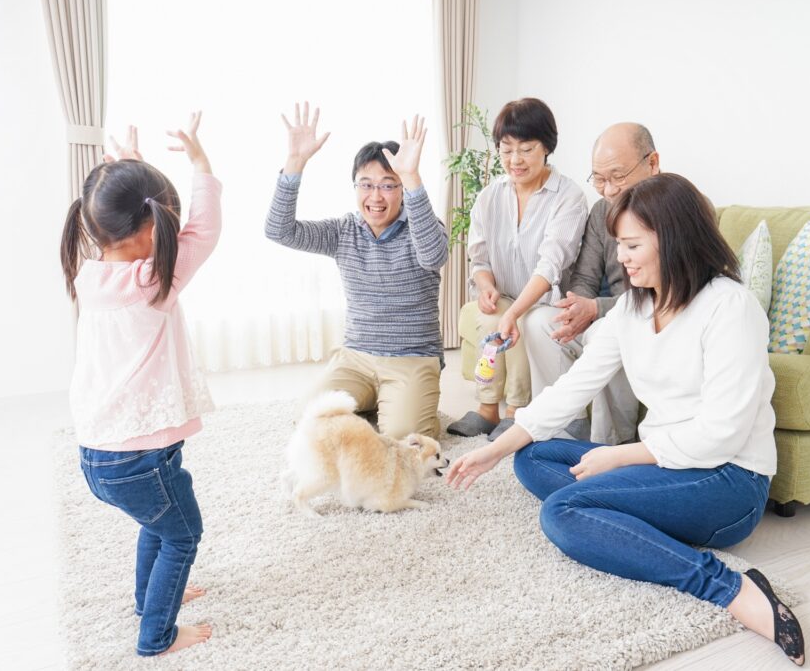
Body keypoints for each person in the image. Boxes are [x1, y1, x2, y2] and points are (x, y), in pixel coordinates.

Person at [446, 173, 805, 666]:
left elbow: (721, 433)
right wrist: (494, 449)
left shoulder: (729, 307)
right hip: (664, 463)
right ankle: (634, 515)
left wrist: (619, 456)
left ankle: (729, 588)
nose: (621, 258)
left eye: (633, 244)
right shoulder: (633, 308)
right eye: (620, 245)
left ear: (673, 237)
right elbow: (575, 387)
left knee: (563, 513)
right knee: (531, 456)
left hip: (730, 479)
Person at [60, 113, 220, 657]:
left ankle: (148, 599)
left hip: (97, 454)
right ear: (153, 230)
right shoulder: (154, 278)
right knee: (182, 533)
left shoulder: (89, 273)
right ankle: (157, 637)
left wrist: (123, 169)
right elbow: (207, 231)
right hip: (140, 457)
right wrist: (200, 165)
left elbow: (116, 214)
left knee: (158, 519)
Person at [265, 102, 448, 439]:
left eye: (388, 185)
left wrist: (413, 179)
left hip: (412, 358)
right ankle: (375, 400)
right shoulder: (343, 231)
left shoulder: (424, 225)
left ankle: (402, 403)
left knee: (405, 439)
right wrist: (295, 164)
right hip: (356, 360)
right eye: (366, 184)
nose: (375, 196)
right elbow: (279, 230)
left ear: (403, 191)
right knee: (312, 420)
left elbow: (434, 257)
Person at [447, 98, 588, 442]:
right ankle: (487, 410)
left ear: (547, 148)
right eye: (506, 149)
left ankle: (518, 412)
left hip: (547, 300)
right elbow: (478, 259)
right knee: (495, 315)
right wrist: (485, 286)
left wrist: (516, 309)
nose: (515, 160)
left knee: (521, 321)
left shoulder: (568, 196)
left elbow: (551, 264)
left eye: (526, 149)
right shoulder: (489, 197)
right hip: (505, 295)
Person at [522, 122, 659, 445]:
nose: (609, 189)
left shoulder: (675, 209)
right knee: (542, 320)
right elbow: (585, 277)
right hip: (609, 313)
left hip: (649, 319)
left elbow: (661, 297)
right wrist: (575, 309)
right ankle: (559, 429)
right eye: (599, 179)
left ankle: (608, 444)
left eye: (617, 176)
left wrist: (595, 309)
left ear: (652, 163)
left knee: (605, 332)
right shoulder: (601, 212)